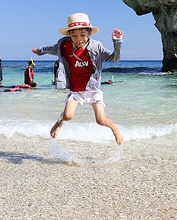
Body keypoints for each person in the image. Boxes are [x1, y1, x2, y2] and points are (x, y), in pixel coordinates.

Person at [31, 12, 124, 145]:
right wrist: (39, 50)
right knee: (68, 115)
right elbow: (52, 49)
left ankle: (115, 128)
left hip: (93, 89)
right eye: (73, 35)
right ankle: (59, 122)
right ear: (69, 35)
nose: (78, 39)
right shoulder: (65, 45)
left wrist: (117, 42)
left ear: (89, 33)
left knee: (100, 120)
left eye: (82, 35)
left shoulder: (96, 47)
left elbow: (115, 58)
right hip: (76, 89)